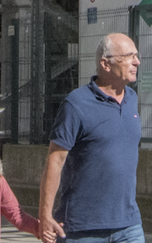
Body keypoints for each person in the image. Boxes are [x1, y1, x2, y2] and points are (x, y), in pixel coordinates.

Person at [38, 32, 143, 243]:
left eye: (136, 56)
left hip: (129, 224)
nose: (137, 62)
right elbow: (55, 161)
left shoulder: (132, 98)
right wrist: (44, 215)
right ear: (106, 64)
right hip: (83, 227)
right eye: (129, 56)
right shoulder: (76, 104)